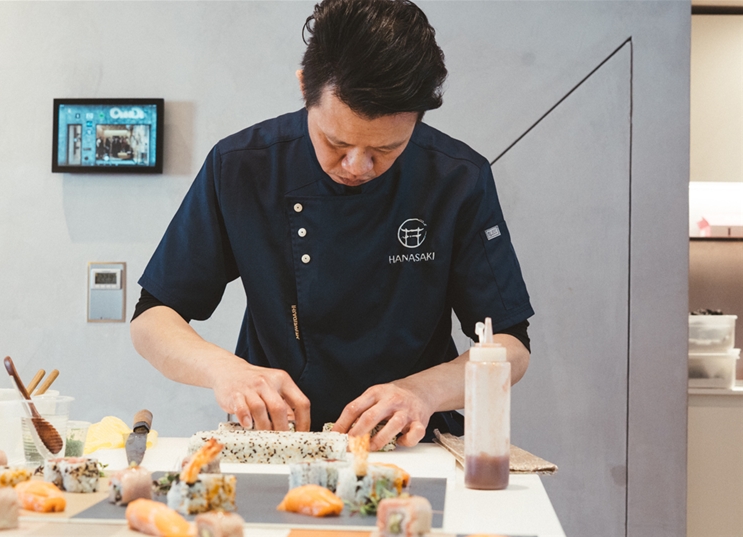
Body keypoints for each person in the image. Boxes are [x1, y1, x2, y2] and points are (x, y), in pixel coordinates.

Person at [131, 0, 533, 451]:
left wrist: (423, 392)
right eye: (336, 142)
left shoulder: (457, 178)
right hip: (276, 441)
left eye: (386, 149)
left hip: (412, 443)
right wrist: (225, 371)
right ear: (305, 86)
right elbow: (152, 318)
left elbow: (511, 345)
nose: (357, 166)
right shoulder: (243, 166)